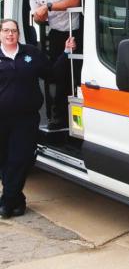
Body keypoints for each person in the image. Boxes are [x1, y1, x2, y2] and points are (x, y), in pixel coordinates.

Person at [0, 18, 75, 218]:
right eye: (6, 30)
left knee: (20, 159)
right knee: (4, 160)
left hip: (25, 119)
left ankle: (6, 202)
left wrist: (66, 53)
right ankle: (17, 199)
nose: (10, 34)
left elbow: (51, 74)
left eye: (13, 30)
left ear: (18, 33)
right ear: (0, 33)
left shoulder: (31, 53)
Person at [26, 0, 81, 130]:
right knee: (58, 76)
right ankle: (60, 119)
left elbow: (75, 0)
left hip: (78, 31)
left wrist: (48, 7)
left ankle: (81, 120)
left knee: (79, 76)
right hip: (57, 34)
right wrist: (39, 17)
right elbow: (36, 16)